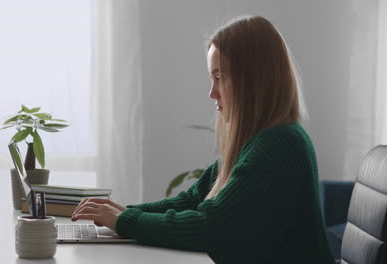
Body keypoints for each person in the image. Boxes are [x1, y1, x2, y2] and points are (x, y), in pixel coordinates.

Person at [71, 15, 335, 264]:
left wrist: (126, 220)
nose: (212, 93)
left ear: (252, 80)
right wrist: (120, 212)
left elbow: (213, 229)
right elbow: (191, 201)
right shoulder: (258, 141)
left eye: (219, 77)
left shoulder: (280, 144)